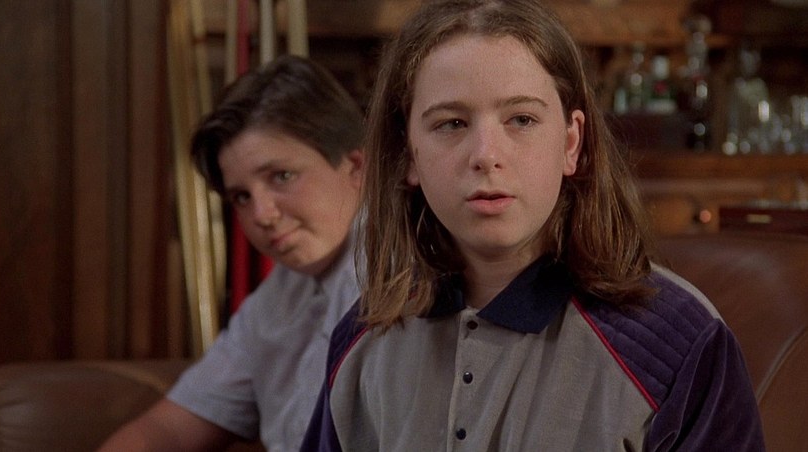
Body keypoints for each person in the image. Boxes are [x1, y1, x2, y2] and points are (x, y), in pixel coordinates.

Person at [300, 1, 765, 450]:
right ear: (408, 155)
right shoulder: (364, 338)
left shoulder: (677, 343)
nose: (486, 155)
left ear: (571, 143)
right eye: (451, 123)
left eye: (521, 119)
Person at [99, 54, 365, 451]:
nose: (262, 215)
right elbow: (168, 429)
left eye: (282, 176)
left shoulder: (406, 275)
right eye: (241, 196)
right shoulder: (278, 297)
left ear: (357, 168)